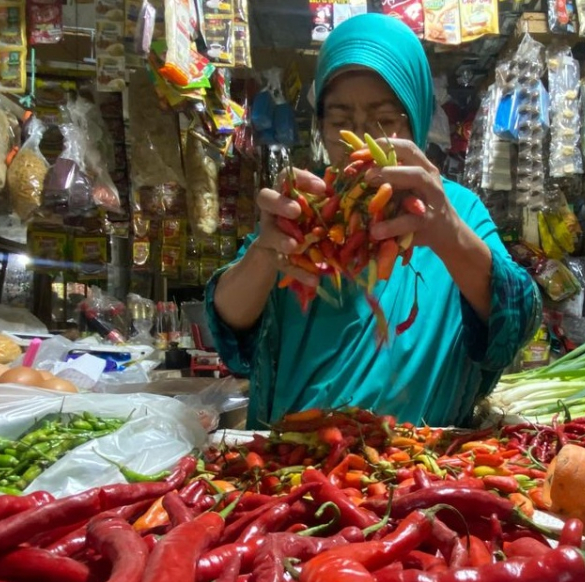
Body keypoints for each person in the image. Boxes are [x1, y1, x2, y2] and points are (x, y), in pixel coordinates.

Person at [205, 12, 540, 428]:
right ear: (322, 126)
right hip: (294, 461)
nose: (361, 140)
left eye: (384, 120)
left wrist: (450, 237)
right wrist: (262, 253)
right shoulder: (306, 206)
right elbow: (229, 332)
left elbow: (518, 324)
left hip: (417, 460)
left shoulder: (455, 209)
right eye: (340, 122)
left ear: (415, 118)